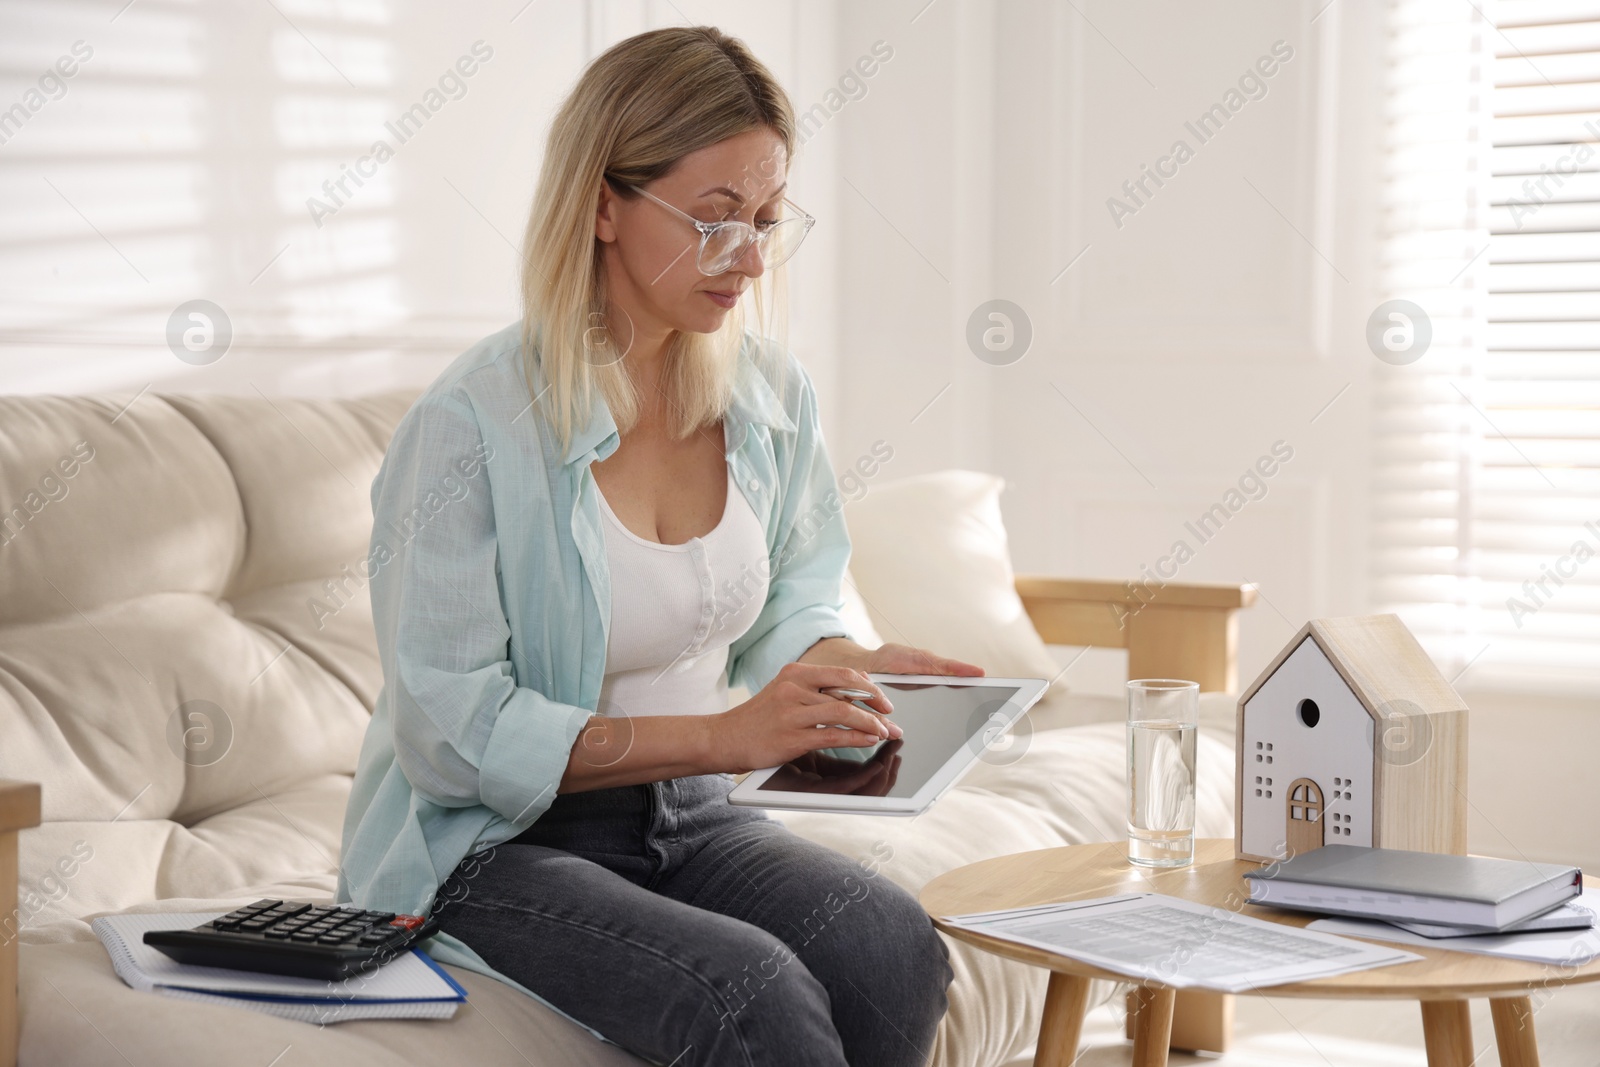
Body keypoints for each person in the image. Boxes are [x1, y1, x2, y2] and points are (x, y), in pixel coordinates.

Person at [338, 25, 983, 1067]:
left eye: (768, 220)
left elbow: (793, 605)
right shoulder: (468, 425)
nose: (751, 258)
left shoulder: (771, 396)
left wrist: (846, 667)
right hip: (495, 844)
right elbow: (449, 731)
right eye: (716, 218)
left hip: (691, 819)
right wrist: (720, 735)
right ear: (602, 202)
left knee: (889, 944)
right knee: (749, 994)